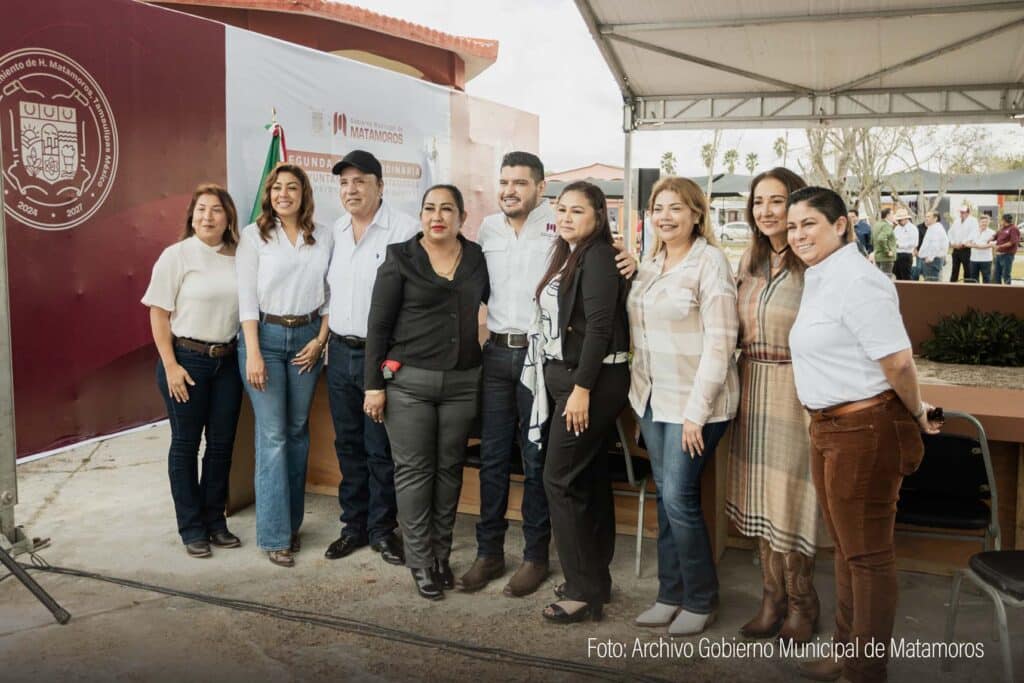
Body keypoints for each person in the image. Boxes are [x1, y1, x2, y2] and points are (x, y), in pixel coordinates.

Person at [461, 151, 636, 596]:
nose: (509, 190)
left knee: (540, 460)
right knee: (494, 458)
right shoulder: (487, 229)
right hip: (499, 353)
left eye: (520, 182)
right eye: (503, 182)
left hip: (543, 360)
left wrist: (633, 262)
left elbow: (604, 278)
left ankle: (536, 557)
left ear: (540, 187)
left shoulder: (561, 228)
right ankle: (489, 553)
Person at [786, 186, 942, 683]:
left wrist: (917, 412)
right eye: (792, 227)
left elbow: (897, 360)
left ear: (841, 224)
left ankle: (865, 670)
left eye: (808, 223)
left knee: (867, 557)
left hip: (864, 429)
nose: (797, 234)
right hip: (829, 427)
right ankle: (848, 654)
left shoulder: (858, 279)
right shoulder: (822, 276)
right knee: (848, 551)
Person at [364, 184, 489, 601]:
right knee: (415, 473)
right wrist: (373, 386)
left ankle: (440, 555)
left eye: (447, 209)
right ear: (420, 215)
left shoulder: (475, 257)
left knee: (450, 470)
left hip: (462, 382)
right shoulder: (400, 257)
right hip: (409, 385)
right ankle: (419, 560)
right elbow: (378, 328)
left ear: (461, 217)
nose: (438, 216)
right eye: (430, 208)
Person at [628, 177, 738, 636]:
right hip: (652, 399)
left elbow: (722, 342)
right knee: (667, 497)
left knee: (679, 498)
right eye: (658, 208)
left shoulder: (709, 263)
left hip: (697, 404)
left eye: (676, 208)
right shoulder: (650, 264)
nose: (666, 216)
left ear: (697, 214)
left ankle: (700, 598)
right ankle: (669, 594)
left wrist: (696, 412)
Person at [522, 181, 630, 624]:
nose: (566, 217)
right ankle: (595, 580)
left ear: (598, 216)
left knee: (559, 479)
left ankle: (583, 590)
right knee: (584, 480)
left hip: (593, 382)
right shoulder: (567, 253)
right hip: (569, 380)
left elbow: (600, 328)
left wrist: (582, 388)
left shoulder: (600, 255)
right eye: (562, 209)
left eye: (577, 211)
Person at [726, 168, 825, 645]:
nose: (766, 210)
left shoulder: (816, 262)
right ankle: (771, 598)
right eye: (759, 201)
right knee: (760, 500)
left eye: (778, 200)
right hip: (751, 386)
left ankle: (803, 602)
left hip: (795, 390)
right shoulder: (748, 260)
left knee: (790, 501)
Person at [323, 150, 418, 566]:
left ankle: (383, 530)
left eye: (360, 181)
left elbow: (416, 302)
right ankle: (353, 527)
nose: (351, 190)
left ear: (381, 185)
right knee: (348, 445)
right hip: (340, 352)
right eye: (344, 183)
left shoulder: (405, 230)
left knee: (380, 448)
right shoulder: (335, 232)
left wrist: (393, 361)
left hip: (381, 359)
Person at [237, 163, 332, 567]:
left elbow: (332, 294)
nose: (284, 194)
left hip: (308, 336)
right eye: (277, 188)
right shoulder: (254, 236)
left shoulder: (323, 236)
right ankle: (274, 534)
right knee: (273, 435)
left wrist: (320, 341)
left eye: (292, 188)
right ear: (268, 194)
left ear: (304, 194)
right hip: (267, 341)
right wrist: (254, 353)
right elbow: (245, 299)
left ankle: (292, 526)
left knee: (296, 433)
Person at [142, 184, 244, 558]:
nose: (208, 217)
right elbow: (158, 313)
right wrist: (170, 365)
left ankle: (215, 521)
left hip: (228, 361)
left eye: (216, 210)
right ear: (191, 216)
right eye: (201, 210)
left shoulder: (240, 257)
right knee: (185, 445)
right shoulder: (177, 256)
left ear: (228, 217)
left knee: (220, 447)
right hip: (187, 360)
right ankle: (191, 527)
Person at [947, 204, 977, 282]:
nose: (961, 214)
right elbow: (950, 232)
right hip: (956, 249)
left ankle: (968, 288)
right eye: (961, 212)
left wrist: (963, 243)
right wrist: (952, 243)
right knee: (954, 270)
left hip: (966, 249)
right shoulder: (956, 221)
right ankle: (952, 287)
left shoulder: (973, 220)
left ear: (968, 213)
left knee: (967, 270)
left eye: (963, 212)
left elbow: (973, 234)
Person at [917, 211, 949, 282]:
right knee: (931, 284)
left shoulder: (936, 229)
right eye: (926, 217)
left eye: (928, 217)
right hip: (931, 261)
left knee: (932, 285)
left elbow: (935, 245)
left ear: (935, 218)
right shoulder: (932, 227)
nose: (926, 219)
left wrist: (930, 258)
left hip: (933, 261)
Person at [966, 214, 995, 283]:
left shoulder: (992, 233)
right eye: (982, 222)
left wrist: (977, 246)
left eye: (986, 222)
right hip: (974, 259)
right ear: (979, 222)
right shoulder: (974, 231)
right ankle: (975, 293)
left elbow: (992, 244)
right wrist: (976, 246)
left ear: (989, 222)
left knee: (986, 279)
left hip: (986, 260)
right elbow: (966, 243)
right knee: (974, 279)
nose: (984, 223)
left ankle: (986, 293)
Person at [993, 213, 1019, 285]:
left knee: (1006, 275)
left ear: (1004, 220)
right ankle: (998, 292)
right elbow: (994, 237)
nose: (1000, 222)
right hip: (998, 256)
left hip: (1007, 256)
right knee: (996, 275)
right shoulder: (1002, 229)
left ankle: (1008, 292)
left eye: (1001, 220)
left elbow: (1012, 242)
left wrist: (1000, 246)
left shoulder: (1013, 228)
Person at [892, 208, 917, 281]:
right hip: (897, 254)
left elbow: (914, 243)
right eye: (898, 220)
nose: (898, 221)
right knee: (898, 276)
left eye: (900, 220)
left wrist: (900, 245)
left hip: (906, 255)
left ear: (906, 219)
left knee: (906, 277)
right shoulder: (897, 228)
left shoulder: (912, 228)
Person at [870, 208, 896, 277]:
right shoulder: (886, 225)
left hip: (877, 255)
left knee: (879, 278)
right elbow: (881, 239)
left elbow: (872, 240)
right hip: (886, 257)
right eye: (893, 214)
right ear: (888, 215)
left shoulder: (876, 225)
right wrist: (887, 251)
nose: (894, 216)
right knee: (886, 279)